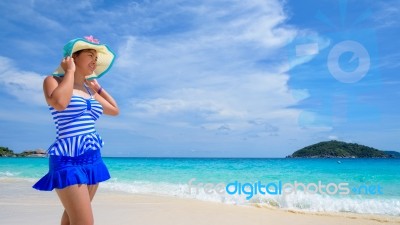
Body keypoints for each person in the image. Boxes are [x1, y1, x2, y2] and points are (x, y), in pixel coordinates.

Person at [33, 35, 119, 225]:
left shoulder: (89, 90)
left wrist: (99, 89)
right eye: (90, 55)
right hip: (67, 159)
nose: (95, 61)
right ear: (73, 57)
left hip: (92, 157)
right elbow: (60, 103)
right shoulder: (52, 81)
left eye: (96, 58)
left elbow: (114, 110)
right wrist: (70, 72)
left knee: (72, 219)